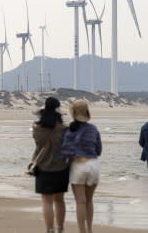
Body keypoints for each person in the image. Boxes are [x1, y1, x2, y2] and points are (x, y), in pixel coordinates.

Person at [61, 100, 102, 233]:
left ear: (73, 113)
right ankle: (90, 230)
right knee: (89, 200)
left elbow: (65, 150)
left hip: (78, 165)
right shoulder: (93, 129)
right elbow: (99, 150)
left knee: (80, 202)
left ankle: (82, 231)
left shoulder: (69, 131)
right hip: (93, 165)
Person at [32, 97, 69, 233]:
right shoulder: (64, 129)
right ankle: (60, 228)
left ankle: (50, 229)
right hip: (61, 167)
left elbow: (37, 144)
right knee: (59, 200)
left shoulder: (37, 128)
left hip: (42, 166)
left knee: (46, 201)